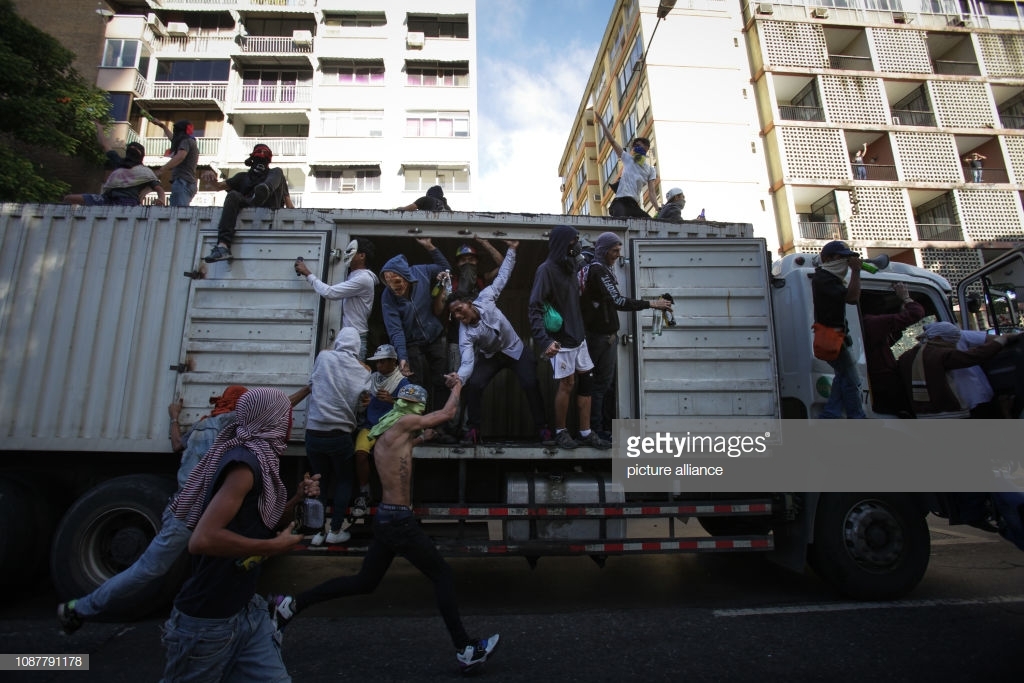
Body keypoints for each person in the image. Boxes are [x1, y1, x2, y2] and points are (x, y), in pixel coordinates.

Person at [267, 380, 501, 676]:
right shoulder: (405, 420)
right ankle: (466, 649)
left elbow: (397, 451)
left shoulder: (386, 428)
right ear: (414, 405)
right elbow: (446, 414)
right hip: (399, 522)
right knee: (442, 574)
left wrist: (420, 440)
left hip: (387, 519)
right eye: (419, 408)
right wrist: (457, 387)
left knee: (365, 582)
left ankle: (291, 605)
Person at [57, 386, 311, 635]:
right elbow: (277, 406)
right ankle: (186, 623)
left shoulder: (200, 426)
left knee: (155, 568)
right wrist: (308, 388)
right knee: (200, 567)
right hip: (205, 512)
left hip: (182, 509)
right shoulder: (236, 425)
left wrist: (175, 417)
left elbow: (177, 444)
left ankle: (83, 609)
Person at [160, 387, 318, 682]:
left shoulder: (262, 457)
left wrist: (296, 500)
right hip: (208, 620)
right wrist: (272, 547)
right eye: (285, 415)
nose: (289, 421)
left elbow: (257, 520)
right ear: (269, 419)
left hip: (246, 610)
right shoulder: (245, 465)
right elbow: (203, 540)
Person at [447, 240, 552, 446]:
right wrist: (459, 377)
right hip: (491, 356)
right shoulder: (465, 333)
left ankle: (544, 429)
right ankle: (474, 430)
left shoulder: (485, 297)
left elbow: (503, 276)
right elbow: (467, 362)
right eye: (454, 314)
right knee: (475, 385)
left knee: (531, 383)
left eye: (460, 310)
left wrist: (512, 250)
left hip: (516, 351)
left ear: (470, 303)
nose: (458, 316)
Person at [580, 232, 673, 439]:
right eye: (614, 250)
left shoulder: (604, 269)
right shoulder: (598, 270)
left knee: (605, 384)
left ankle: (600, 429)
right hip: (598, 338)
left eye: (619, 250)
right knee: (599, 385)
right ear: (604, 250)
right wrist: (651, 303)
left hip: (605, 336)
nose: (617, 254)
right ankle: (595, 430)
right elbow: (618, 302)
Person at [528, 225, 611, 449]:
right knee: (567, 384)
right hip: (561, 339)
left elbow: (587, 264)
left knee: (586, 383)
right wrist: (544, 341)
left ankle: (585, 432)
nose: (578, 245)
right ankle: (561, 432)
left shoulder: (571, 265)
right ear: (563, 243)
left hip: (579, 336)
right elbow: (534, 307)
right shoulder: (546, 270)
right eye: (574, 241)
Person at [304, 327, 371, 546]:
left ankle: (317, 533)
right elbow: (362, 408)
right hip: (340, 434)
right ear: (357, 348)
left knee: (319, 481)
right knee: (344, 480)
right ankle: (335, 530)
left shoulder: (323, 357)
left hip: (313, 432)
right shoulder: (363, 371)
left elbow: (314, 382)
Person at [380, 238, 454, 423]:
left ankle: (439, 426)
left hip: (435, 335)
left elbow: (445, 269)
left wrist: (430, 247)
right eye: (388, 282)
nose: (393, 287)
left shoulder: (420, 271)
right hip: (411, 341)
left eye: (396, 281)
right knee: (415, 384)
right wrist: (402, 357)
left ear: (406, 276)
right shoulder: (388, 297)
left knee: (441, 380)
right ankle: (416, 426)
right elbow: (395, 330)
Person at [897, 322, 1020, 416]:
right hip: (947, 414)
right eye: (951, 343)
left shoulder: (905, 357)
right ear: (938, 339)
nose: (953, 346)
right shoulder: (939, 354)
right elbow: (974, 356)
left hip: (923, 414)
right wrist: (1002, 339)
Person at [202, 144, 293, 262]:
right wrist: (210, 177)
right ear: (252, 160)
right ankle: (223, 246)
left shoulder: (275, 174)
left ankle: (264, 191)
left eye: (264, 159)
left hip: (270, 207)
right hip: (251, 203)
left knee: (278, 172)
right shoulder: (242, 177)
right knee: (232, 195)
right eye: (259, 158)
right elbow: (217, 186)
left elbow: (289, 204)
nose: (261, 162)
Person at [352, 343, 411, 518]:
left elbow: (413, 410)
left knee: (391, 462)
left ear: (393, 361)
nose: (379, 365)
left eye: (383, 362)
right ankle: (364, 492)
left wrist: (392, 401)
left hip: (391, 429)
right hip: (371, 426)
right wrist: (365, 403)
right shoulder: (372, 378)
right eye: (377, 362)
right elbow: (365, 400)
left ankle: (395, 499)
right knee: (360, 453)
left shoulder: (402, 381)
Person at [295, 238, 377, 359]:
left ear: (361, 256)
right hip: (350, 338)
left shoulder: (363, 279)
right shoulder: (355, 276)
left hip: (355, 339)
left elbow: (330, 292)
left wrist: (307, 273)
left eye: (351, 251)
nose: (346, 254)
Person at [811, 240, 866, 418]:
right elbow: (852, 298)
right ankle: (856, 417)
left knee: (843, 377)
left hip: (836, 336)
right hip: (832, 337)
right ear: (827, 258)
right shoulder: (823, 279)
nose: (845, 261)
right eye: (840, 257)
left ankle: (830, 415)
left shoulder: (830, 278)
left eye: (847, 258)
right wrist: (856, 271)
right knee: (852, 380)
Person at [860, 282, 925, 416]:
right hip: (885, 380)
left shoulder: (864, 324)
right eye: (882, 305)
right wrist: (906, 298)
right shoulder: (873, 322)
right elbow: (916, 313)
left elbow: (885, 342)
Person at [594, 111, 660, 218]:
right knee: (621, 220)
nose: (635, 147)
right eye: (634, 146)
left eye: (638, 145)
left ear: (646, 148)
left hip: (633, 204)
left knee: (648, 221)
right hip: (620, 201)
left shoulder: (650, 170)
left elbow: (652, 192)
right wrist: (601, 122)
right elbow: (612, 142)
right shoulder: (628, 158)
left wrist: (657, 208)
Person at [63, 141, 165, 207]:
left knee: (69, 198)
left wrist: (161, 200)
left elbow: (159, 189)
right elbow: (105, 145)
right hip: (107, 199)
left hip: (128, 202)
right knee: (69, 198)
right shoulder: (119, 162)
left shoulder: (145, 172)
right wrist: (99, 127)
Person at [155, 120, 199, 207]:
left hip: (183, 183)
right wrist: (162, 126)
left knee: (178, 213)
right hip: (187, 183)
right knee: (177, 212)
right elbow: (172, 138)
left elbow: (180, 157)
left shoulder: (185, 141)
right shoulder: (188, 141)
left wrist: (162, 169)